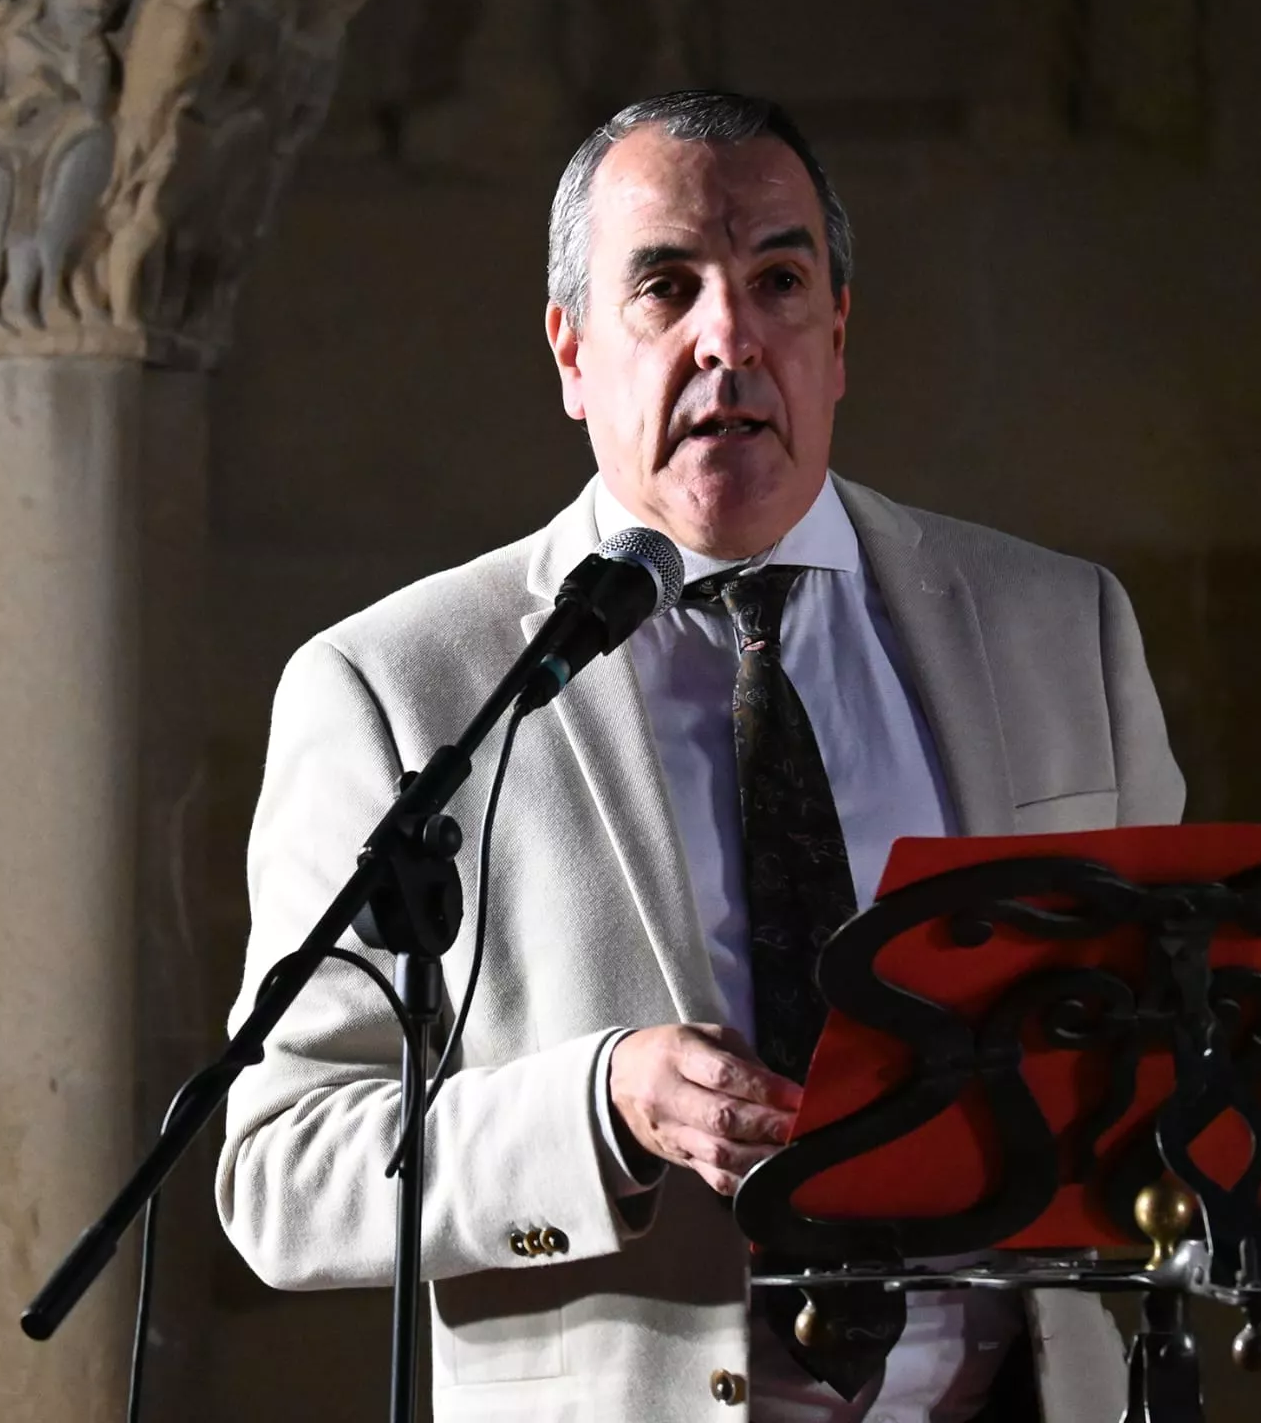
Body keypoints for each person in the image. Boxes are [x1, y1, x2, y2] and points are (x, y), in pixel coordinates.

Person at [217, 91, 1185, 1421]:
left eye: (778, 281)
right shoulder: (401, 688)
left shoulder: (1058, 626)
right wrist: (599, 1108)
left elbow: (1175, 1051)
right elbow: (280, 1175)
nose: (728, 336)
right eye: (664, 288)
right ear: (571, 353)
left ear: (838, 335)